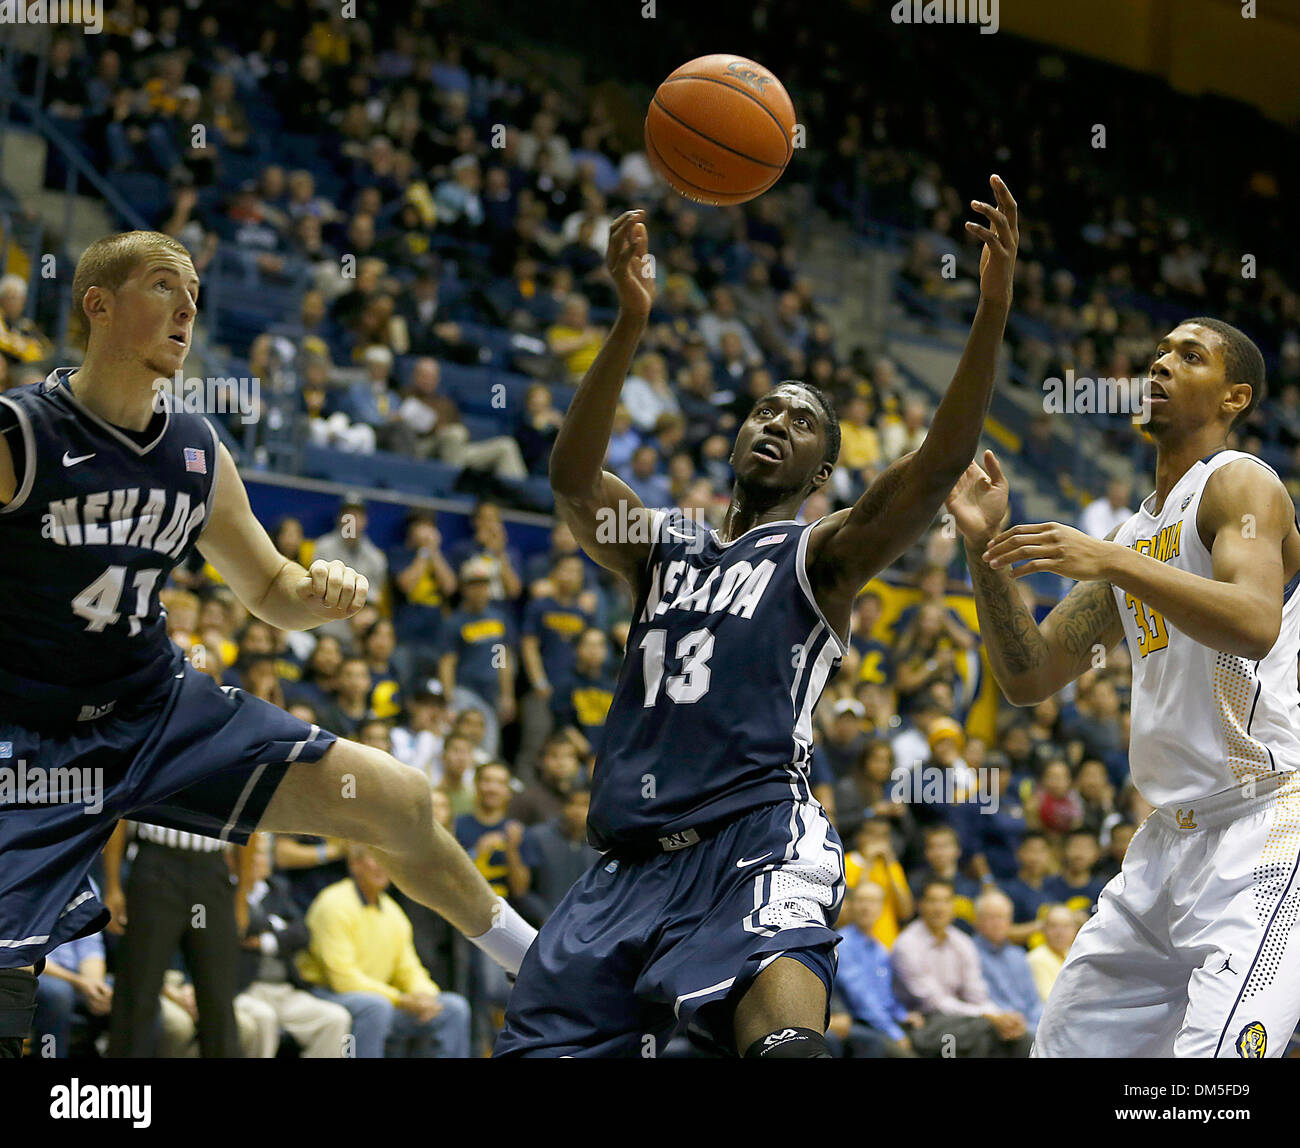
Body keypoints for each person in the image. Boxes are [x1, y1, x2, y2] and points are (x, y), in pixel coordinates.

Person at [498, 178, 1019, 1058]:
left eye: (804, 419)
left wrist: (992, 307)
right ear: (737, 438)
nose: (779, 420)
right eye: (766, 409)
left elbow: (936, 466)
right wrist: (628, 322)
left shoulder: (823, 555)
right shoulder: (663, 545)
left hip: (754, 842)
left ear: (823, 473)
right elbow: (574, 481)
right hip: (624, 867)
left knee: (784, 1048)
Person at [0, 231, 533, 1058]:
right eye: (162, 286)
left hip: (156, 711)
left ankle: (542, 965)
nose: (186, 308)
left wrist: (322, 594)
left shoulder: (195, 448)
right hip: (28, 738)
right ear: (96, 304)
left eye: (195, 295)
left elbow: (270, 589)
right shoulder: (21, 436)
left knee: (396, 799)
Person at [948, 315, 1300, 1057]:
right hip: (1164, 843)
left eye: (1189, 356)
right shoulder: (1135, 538)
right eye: (1161, 350)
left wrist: (1109, 562)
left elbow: (1256, 621)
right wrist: (983, 549)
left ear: (1235, 396)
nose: (1162, 362)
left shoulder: (1241, 482)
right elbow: (1029, 674)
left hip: (1264, 828)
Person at [297, 845, 471, 1058]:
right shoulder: (333, 904)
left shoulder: (393, 912)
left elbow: (408, 968)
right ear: (355, 865)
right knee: (375, 1007)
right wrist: (400, 999)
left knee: (454, 1007)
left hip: (382, 998)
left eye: (387, 860)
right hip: (327, 994)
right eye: (375, 859)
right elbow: (343, 979)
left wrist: (425, 995)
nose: (382, 867)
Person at [891, 880, 1033, 1058]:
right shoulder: (908, 944)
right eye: (932, 901)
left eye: (945, 901)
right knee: (984, 1030)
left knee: (1020, 1037)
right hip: (922, 1024)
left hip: (963, 1020)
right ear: (920, 905)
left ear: (953, 906)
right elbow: (935, 1003)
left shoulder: (962, 942)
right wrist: (989, 1017)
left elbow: (977, 995)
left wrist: (1002, 1016)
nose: (939, 908)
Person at [832, 883, 922, 1058]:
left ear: (881, 909)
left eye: (873, 902)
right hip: (859, 1022)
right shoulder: (843, 945)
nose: (866, 907)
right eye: (861, 901)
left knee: (940, 1039)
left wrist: (902, 1015)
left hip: (882, 1020)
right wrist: (894, 1032)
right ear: (850, 906)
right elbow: (861, 999)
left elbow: (885, 995)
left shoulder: (879, 949)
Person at [971, 888, 1042, 1037]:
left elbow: (1034, 1002)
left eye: (1002, 917)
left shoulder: (1018, 955)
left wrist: (1033, 1028)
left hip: (1028, 1029)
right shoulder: (970, 953)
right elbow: (979, 1000)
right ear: (977, 921)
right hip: (996, 1029)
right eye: (991, 917)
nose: (997, 923)